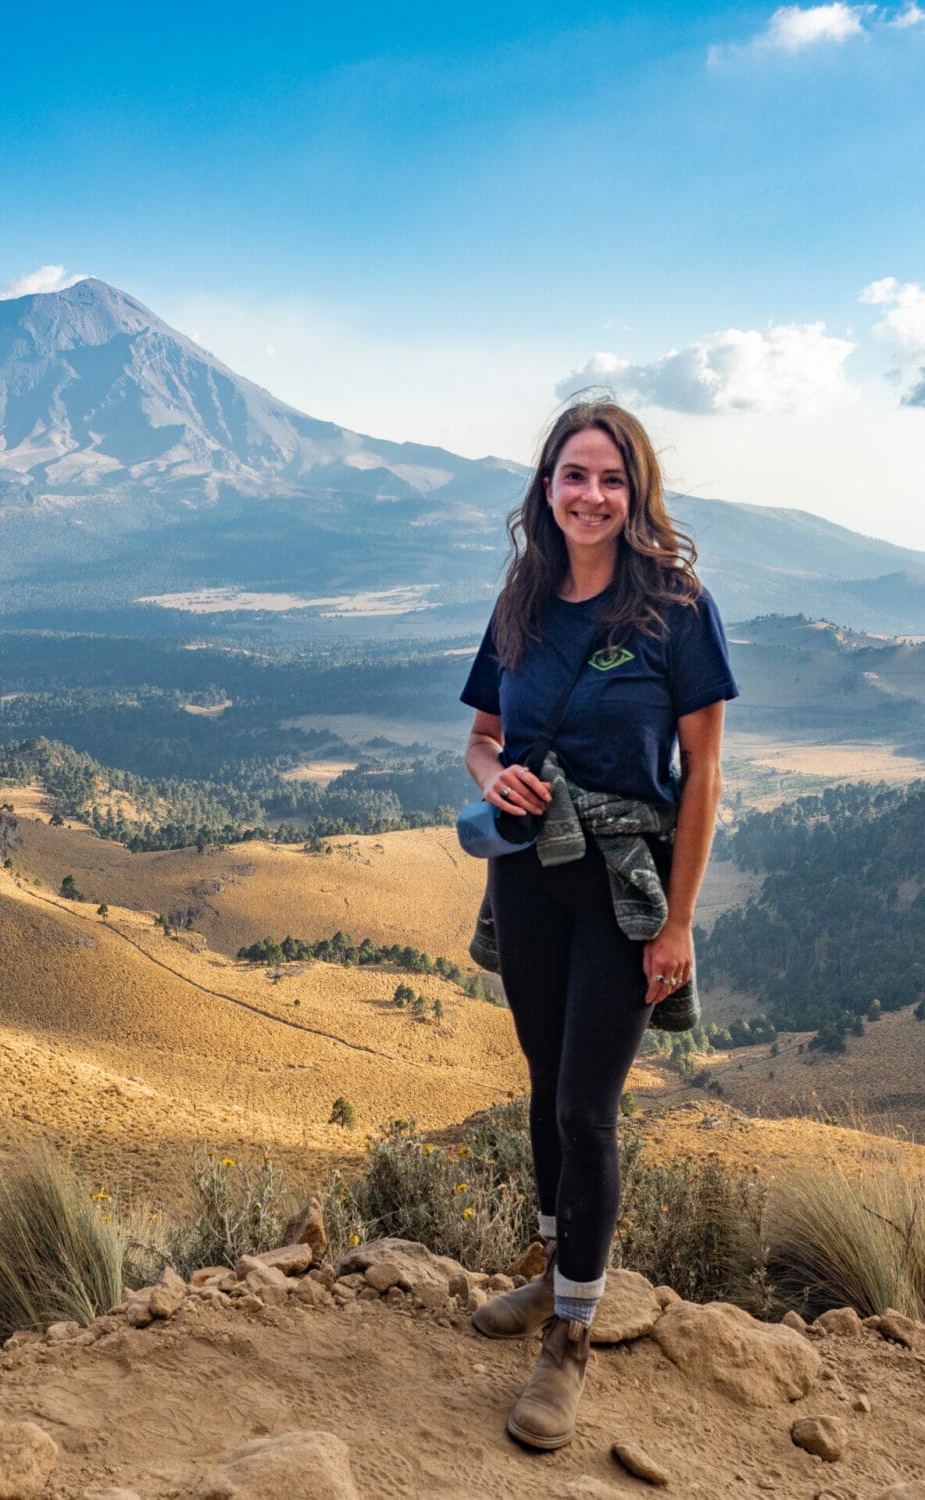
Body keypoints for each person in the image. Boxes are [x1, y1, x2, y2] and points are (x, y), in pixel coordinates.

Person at [459, 399, 737, 1450]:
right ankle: (548, 1272)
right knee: (541, 1083)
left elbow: (705, 774)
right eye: (574, 475)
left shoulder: (675, 606)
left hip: (626, 891)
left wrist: (680, 926)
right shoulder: (522, 600)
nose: (591, 495)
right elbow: (482, 740)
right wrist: (502, 781)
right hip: (530, 878)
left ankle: (572, 1335)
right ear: (546, 488)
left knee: (586, 1108)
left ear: (638, 493)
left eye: (611, 478)